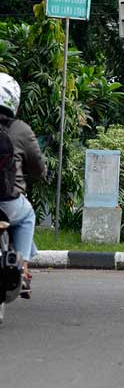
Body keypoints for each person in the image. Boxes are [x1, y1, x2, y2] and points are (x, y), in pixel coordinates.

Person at [0, 73, 47, 298]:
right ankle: (24, 272)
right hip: (8, 202)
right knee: (27, 216)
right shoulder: (21, 129)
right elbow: (38, 166)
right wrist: (39, 174)